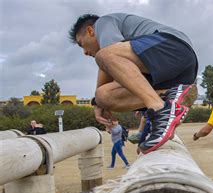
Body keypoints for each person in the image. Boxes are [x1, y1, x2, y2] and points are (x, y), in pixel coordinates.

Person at [68, 13, 198, 154]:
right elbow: (115, 73)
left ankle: (160, 109)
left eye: (82, 44)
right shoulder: (123, 57)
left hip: (174, 47)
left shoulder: (103, 22)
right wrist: (100, 102)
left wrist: (98, 105)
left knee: (104, 56)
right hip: (175, 75)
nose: (85, 53)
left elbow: (108, 57)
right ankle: (171, 96)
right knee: (104, 96)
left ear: (90, 31)